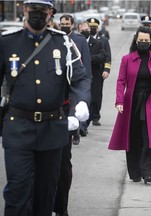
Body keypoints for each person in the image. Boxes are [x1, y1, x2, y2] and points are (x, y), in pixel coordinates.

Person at [0, 0, 91, 215]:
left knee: (46, 192)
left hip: (52, 128)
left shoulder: (63, 43)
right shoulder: (7, 42)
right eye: (33, 10)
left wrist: (82, 101)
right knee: (17, 190)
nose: (38, 15)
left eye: (43, 11)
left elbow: (79, 78)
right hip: (18, 127)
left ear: (51, 13)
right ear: (24, 10)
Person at [108, 26, 151, 184]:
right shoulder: (127, 59)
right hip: (132, 103)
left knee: (148, 137)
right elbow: (121, 81)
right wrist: (119, 101)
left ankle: (148, 172)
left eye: (146, 40)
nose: (143, 43)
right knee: (133, 137)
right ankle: (135, 172)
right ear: (136, 41)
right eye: (141, 40)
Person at [52, 14, 92, 216]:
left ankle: (60, 208)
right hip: (24, 120)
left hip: (61, 115)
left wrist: (81, 103)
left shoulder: (69, 44)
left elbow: (81, 77)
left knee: (61, 165)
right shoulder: (13, 43)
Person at [78, 21, 106, 136]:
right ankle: (80, 126)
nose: (85, 32)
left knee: (91, 101)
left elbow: (103, 56)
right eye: (82, 30)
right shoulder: (74, 42)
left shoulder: (97, 43)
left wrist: (88, 58)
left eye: (86, 30)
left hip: (93, 76)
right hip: (78, 77)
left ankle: (84, 125)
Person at [86, 17, 112, 127]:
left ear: (97, 28)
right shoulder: (83, 39)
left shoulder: (103, 40)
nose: (92, 29)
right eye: (90, 27)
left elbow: (108, 56)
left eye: (94, 27)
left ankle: (96, 116)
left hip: (98, 71)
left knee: (97, 94)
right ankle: (86, 116)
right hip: (86, 71)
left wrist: (106, 70)